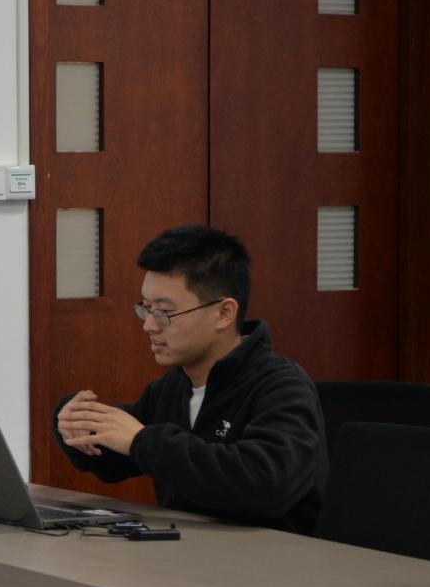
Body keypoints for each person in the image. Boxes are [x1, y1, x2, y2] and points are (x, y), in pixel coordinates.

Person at [54, 224, 327, 534]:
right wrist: (73, 421)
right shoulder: (173, 387)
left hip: (275, 556)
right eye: (146, 308)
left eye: (164, 312)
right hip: (187, 550)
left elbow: (265, 484)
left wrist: (143, 441)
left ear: (223, 313)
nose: (149, 326)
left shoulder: (282, 386)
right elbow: (113, 460)